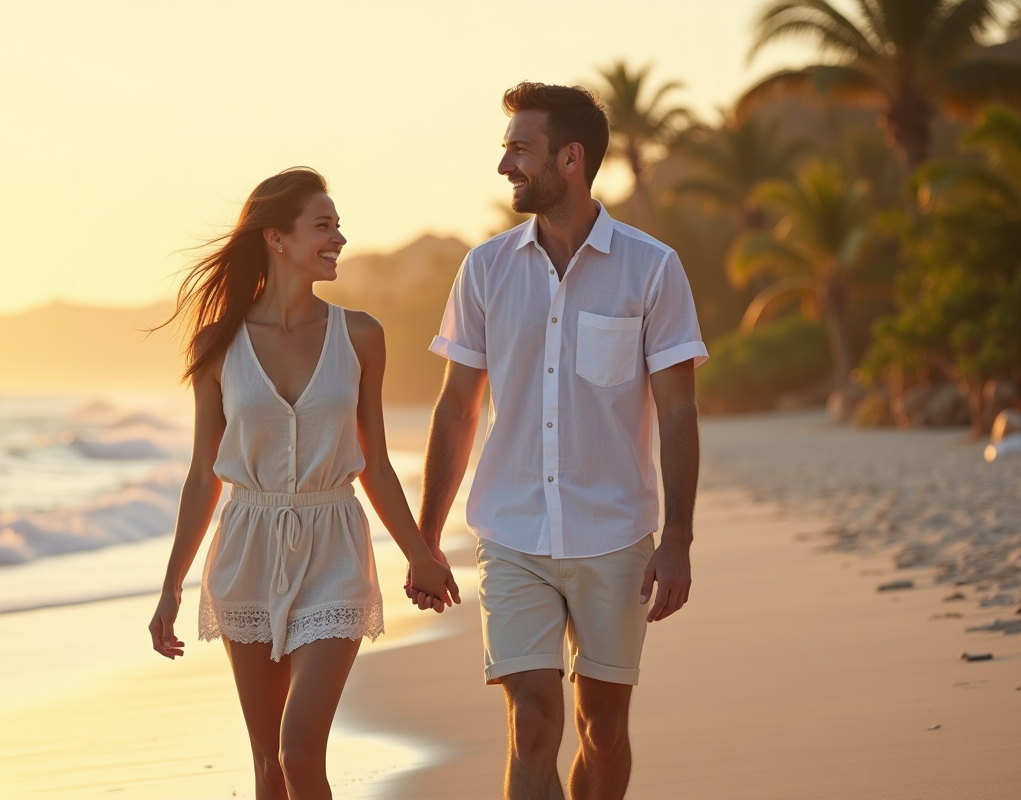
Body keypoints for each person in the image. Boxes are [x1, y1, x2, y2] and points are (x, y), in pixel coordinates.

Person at [410, 83, 708, 799]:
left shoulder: (652, 267)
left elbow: (676, 412)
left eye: (520, 149)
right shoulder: (485, 270)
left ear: (570, 158)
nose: (506, 165)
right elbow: (456, 410)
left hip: (616, 535)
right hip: (512, 534)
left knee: (602, 729)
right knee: (534, 723)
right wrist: (424, 542)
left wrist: (679, 540)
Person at [148, 167, 460, 800]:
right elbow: (202, 474)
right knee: (268, 767)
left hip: (334, 547)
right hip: (247, 548)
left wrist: (420, 555)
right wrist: (171, 586)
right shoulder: (216, 345)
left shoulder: (361, 335)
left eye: (338, 226)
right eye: (324, 225)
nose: (339, 238)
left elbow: (372, 459)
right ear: (276, 238)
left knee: (298, 752)